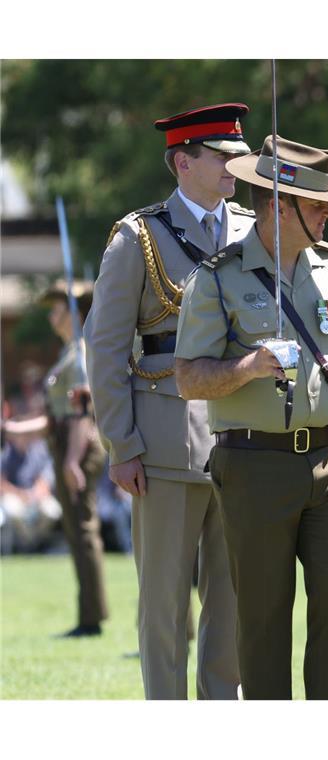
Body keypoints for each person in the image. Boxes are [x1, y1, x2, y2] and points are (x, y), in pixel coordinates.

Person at [174, 135, 328, 699]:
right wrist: (248, 366)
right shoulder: (216, 277)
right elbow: (188, 377)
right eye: (318, 202)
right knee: (264, 619)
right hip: (253, 463)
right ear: (277, 205)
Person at [85, 103, 250, 699]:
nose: (238, 163)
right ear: (184, 162)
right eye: (224, 155)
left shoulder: (256, 230)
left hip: (242, 437)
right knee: (163, 608)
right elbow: (103, 347)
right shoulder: (139, 237)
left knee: (232, 605)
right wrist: (121, 444)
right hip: (162, 443)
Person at [41, 280, 109, 637]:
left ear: (72, 312)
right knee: (77, 529)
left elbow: (83, 411)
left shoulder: (80, 351)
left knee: (83, 531)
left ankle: (91, 618)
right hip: (66, 441)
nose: (52, 315)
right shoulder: (70, 350)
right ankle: (89, 613)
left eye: (57, 308)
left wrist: (71, 459)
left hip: (77, 444)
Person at [0, 416, 60, 555]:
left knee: (52, 511)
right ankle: (28, 546)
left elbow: (44, 481)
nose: (23, 437)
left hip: (35, 497)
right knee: (12, 509)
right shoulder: (6, 453)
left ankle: (33, 544)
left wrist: (34, 494)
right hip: (14, 497)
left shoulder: (39, 451)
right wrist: (20, 494)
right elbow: (1, 483)